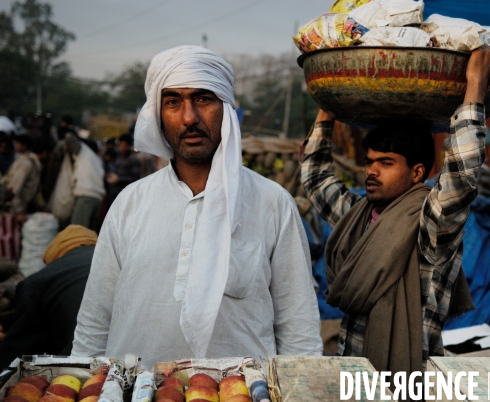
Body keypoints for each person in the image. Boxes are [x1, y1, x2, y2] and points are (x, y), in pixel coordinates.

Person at [72, 46, 322, 366]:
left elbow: (298, 328)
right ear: (158, 116)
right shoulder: (129, 203)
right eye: (173, 102)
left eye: (203, 99)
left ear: (226, 109)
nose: (189, 117)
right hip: (131, 389)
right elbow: (95, 319)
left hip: (243, 392)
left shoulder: (272, 203)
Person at [300, 45, 490, 375]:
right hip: (354, 378)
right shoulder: (357, 217)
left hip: (410, 382)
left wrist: (476, 81)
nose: (371, 171)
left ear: (418, 173)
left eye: (386, 163)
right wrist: (328, 102)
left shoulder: (430, 227)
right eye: (369, 162)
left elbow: (461, 177)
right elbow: (315, 176)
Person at [0, 225, 97, 369]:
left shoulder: (39, 281)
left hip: (87, 366)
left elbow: (19, 351)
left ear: (54, 254)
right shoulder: (117, 261)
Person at [65, 133, 105, 231]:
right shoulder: (97, 160)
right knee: (89, 234)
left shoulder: (83, 151)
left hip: (86, 197)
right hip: (97, 199)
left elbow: (69, 137)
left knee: (77, 232)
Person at [3, 135, 42, 225]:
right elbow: (13, 190)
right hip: (15, 208)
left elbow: (14, 190)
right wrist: (19, 211)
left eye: (18, 143)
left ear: (24, 146)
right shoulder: (27, 162)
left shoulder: (26, 163)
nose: (15, 145)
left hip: (15, 208)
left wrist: (19, 211)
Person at [105, 133, 141, 204]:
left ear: (129, 146)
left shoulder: (133, 160)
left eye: (125, 145)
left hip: (126, 193)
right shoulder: (118, 157)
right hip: (115, 191)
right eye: (121, 145)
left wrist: (120, 179)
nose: (122, 147)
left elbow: (135, 178)